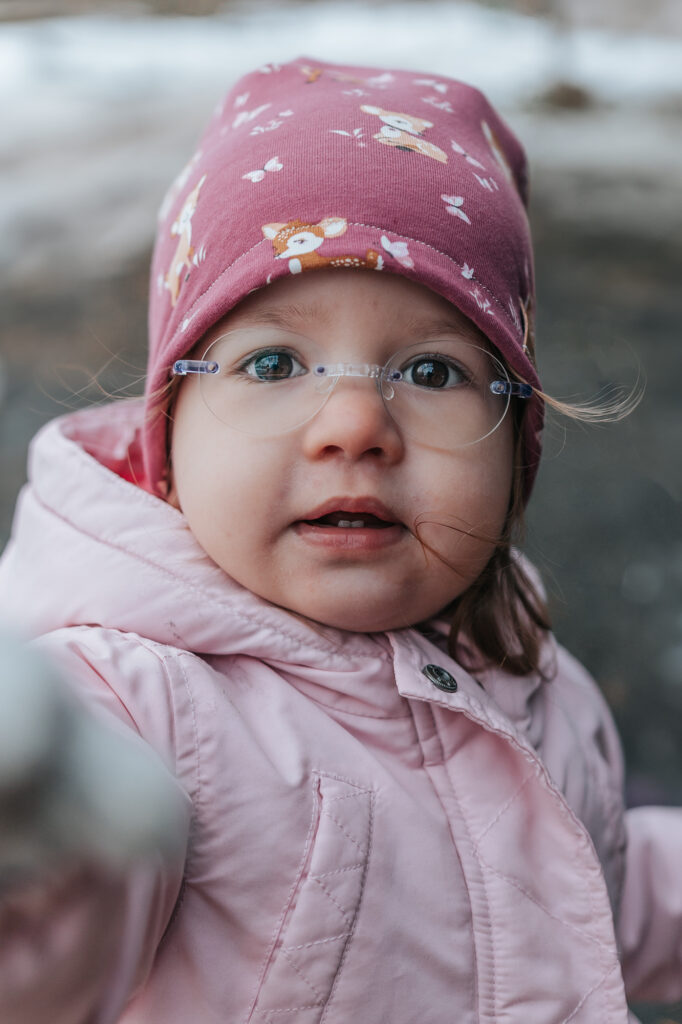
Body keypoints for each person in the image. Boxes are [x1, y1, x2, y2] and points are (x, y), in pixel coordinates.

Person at [0, 55, 679, 1024]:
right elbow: (56, 950)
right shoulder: (141, 702)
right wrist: (32, 826)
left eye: (435, 371)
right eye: (275, 361)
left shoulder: (522, 673)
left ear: (516, 441)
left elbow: (589, 892)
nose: (355, 420)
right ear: (168, 435)